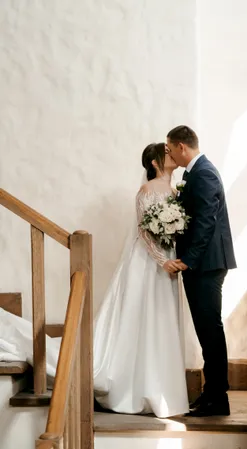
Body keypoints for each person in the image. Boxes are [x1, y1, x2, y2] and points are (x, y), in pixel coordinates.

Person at [0, 142, 201, 418]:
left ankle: (162, 389)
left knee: (162, 320)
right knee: (140, 319)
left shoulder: (176, 191)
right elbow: (144, 233)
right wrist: (162, 260)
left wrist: (175, 255)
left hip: (168, 263)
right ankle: (134, 387)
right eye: (163, 153)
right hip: (146, 263)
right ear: (154, 163)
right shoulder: (145, 191)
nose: (169, 154)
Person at [166, 125, 237, 417]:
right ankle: (211, 393)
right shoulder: (195, 172)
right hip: (204, 264)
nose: (169, 154)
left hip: (206, 264)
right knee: (206, 330)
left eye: (170, 149)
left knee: (210, 330)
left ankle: (218, 398)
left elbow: (207, 220)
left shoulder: (204, 172)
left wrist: (188, 259)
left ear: (183, 147)